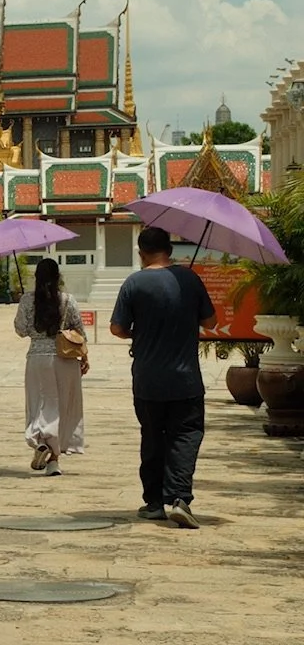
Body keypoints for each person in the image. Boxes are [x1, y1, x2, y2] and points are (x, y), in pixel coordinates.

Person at [109, 224, 214, 527]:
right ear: (169, 250)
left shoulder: (134, 283)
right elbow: (211, 320)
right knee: (186, 436)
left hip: (148, 379)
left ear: (141, 253)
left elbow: (116, 328)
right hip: (186, 379)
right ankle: (180, 498)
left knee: (152, 438)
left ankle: (154, 502)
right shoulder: (189, 279)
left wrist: (136, 333)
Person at [13, 257, 88, 476]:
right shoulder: (68, 300)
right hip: (65, 358)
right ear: (58, 277)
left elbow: (21, 330)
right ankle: (54, 459)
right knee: (62, 406)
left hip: (37, 357)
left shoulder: (27, 301)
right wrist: (85, 357)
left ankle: (40, 439)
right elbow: (79, 331)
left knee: (40, 403)